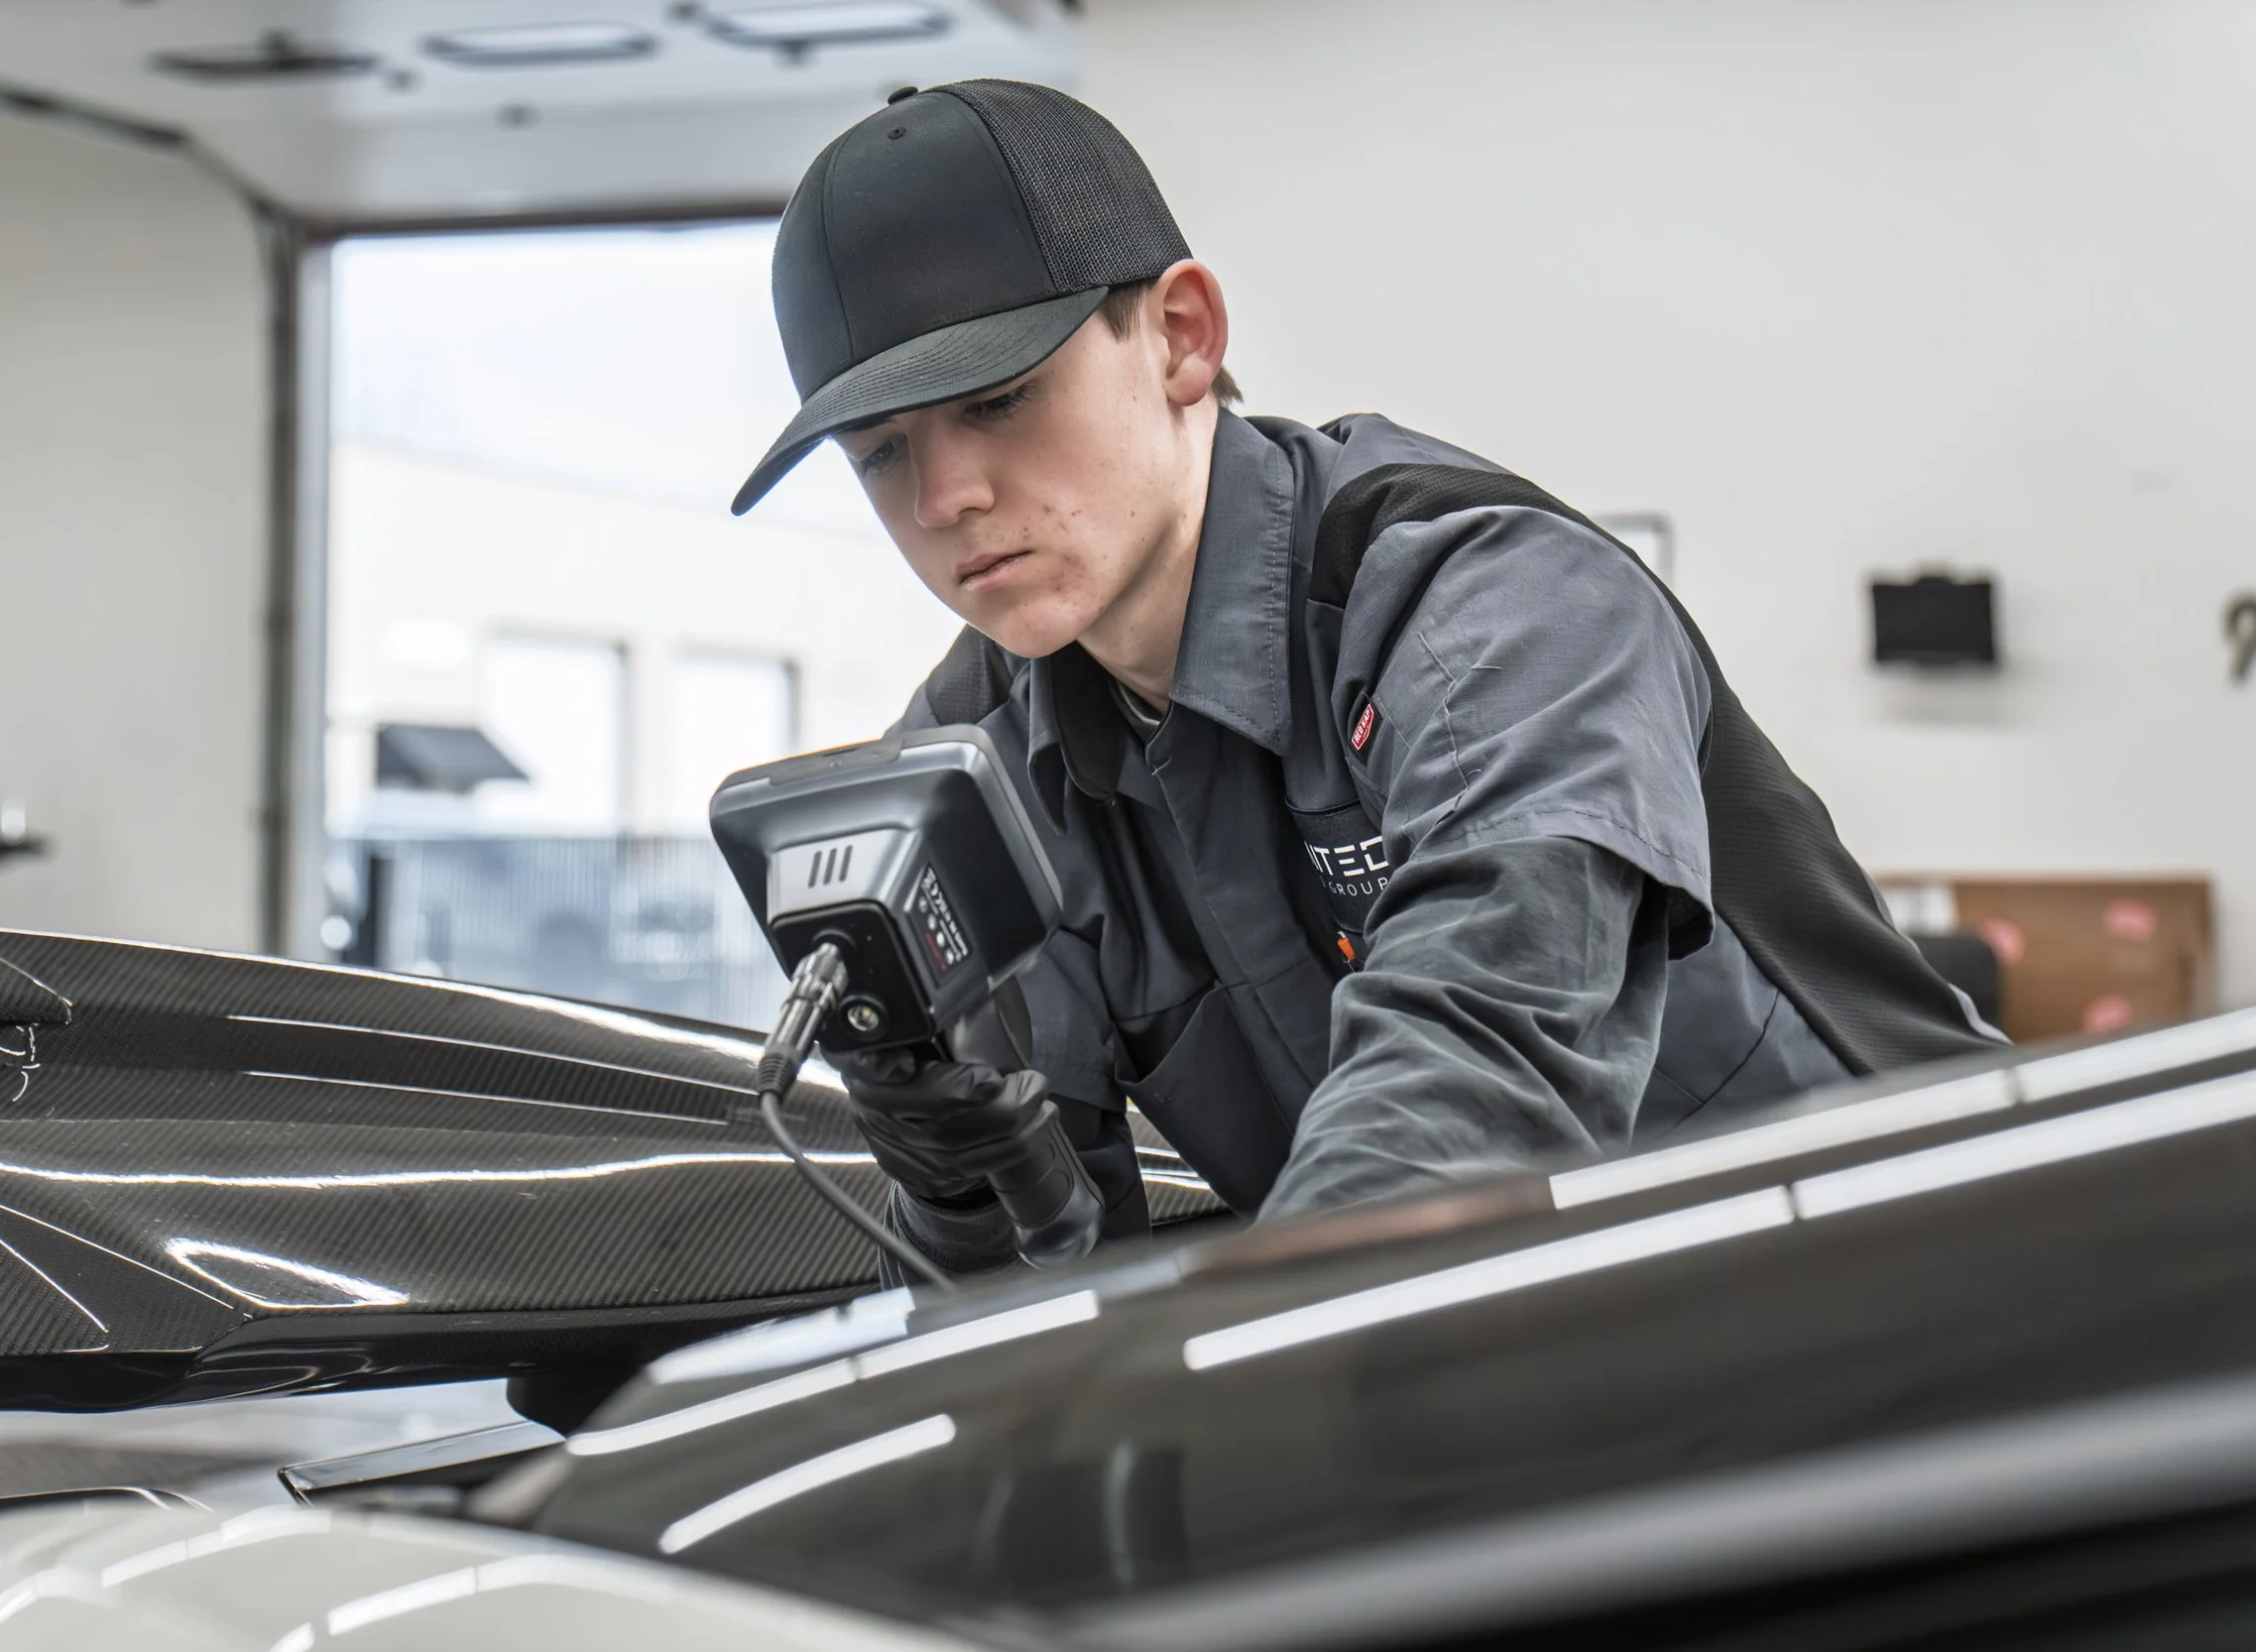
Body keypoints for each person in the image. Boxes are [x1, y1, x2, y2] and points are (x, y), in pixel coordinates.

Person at [731, 79, 1998, 1277]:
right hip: (1548, 1375)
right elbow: (1053, 1266)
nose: (946, 496)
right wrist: (958, 1183)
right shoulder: (978, 761)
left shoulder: (1490, 602)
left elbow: (1482, 1063)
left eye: (1001, 401)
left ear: (1180, 336)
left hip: (1931, 1288)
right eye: (881, 453)